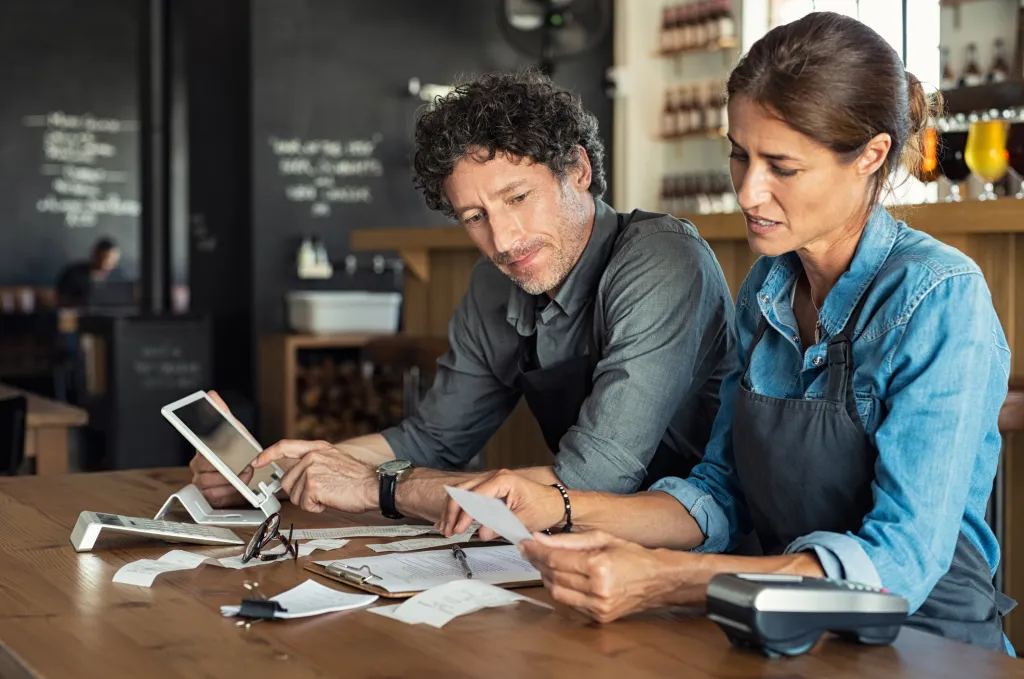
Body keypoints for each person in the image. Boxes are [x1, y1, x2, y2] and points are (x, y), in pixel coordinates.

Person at [444, 13, 1017, 655]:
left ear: (872, 156)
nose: (747, 190)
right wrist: (553, 503)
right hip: (781, 633)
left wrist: (671, 580)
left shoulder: (940, 297)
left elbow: (899, 566)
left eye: (782, 166)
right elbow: (721, 494)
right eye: (739, 154)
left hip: (924, 647)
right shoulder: (767, 289)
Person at [190, 70, 737, 523]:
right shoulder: (493, 285)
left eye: (518, 197)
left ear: (578, 170)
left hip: (704, 548)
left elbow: (592, 479)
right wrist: (280, 470)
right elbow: (433, 438)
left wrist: (380, 488)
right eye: (475, 217)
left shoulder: (661, 260)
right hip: (588, 551)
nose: (503, 241)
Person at [55, 236, 122, 306]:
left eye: (114, 260)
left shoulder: (119, 276)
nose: (110, 263)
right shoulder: (73, 273)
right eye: (106, 258)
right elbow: (61, 298)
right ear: (95, 254)